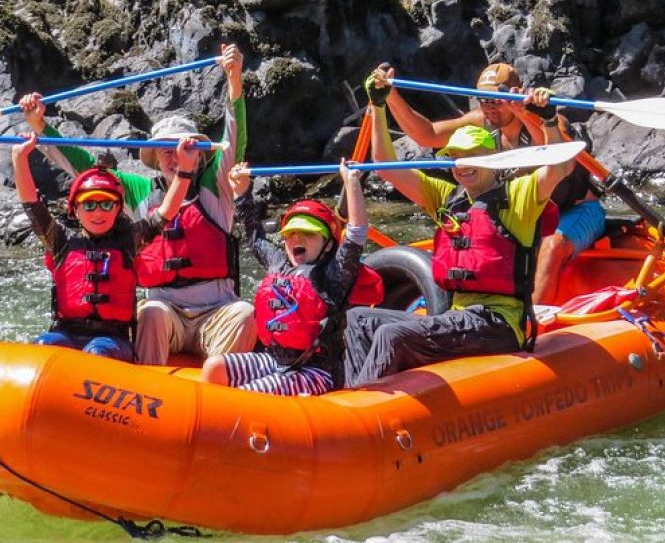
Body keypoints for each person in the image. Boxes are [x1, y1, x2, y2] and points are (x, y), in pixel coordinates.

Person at [19, 44, 257, 364]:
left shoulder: (216, 185)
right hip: (165, 313)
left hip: (216, 311)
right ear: (156, 158)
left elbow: (234, 140)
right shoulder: (141, 190)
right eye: (165, 150)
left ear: (199, 152)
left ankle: (222, 394)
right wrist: (40, 126)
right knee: (152, 311)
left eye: (180, 148)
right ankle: (145, 401)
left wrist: (234, 80)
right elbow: (88, 170)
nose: (172, 156)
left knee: (244, 313)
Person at [343, 77, 573, 387]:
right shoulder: (446, 197)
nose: (459, 165)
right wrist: (378, 106)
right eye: (454, 158)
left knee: (391, 335)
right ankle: (348, 398)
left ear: (493, 160)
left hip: (498, 323)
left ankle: (363, 411)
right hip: (459, 317)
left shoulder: (519, 195)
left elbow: (556, 168)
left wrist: (547, 120)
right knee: (358, 320)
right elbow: (385, 166)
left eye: (469, 156)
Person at [372, 62, 606, 305]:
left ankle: (535, 325)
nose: (489, 107)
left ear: (514, 92)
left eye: (496, 100)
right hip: (524, 217)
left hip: (574, 211)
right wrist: (389, 96)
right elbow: (427, 134)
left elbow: (555, 157)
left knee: (552, 245)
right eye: (483, 99)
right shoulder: (480, 123)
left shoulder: (546, 120)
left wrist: (525, 112)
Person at [11, 133, 199, 361]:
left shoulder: (130, 240)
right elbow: (32, 206)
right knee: (44, 346)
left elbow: (166, 211)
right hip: (65, 333)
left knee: (96, 353)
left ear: (118, 209)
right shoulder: (59, 240)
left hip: (112, 340)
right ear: (76, 210)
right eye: (89, 205)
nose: (98, 212)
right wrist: (19, 157)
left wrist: (185, 170)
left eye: (106, 204)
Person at [201, 160, 383, 394]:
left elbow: (356, 234)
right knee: (214, 366)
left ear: (327, 244)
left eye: (307, 234)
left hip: (317, 371)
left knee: (248, 395)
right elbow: (255, 239)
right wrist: (241, 192)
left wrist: (351, 183)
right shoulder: (279, 264)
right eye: (290, 234)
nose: (297, 239)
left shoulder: (334, 273)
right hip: (274, 360)